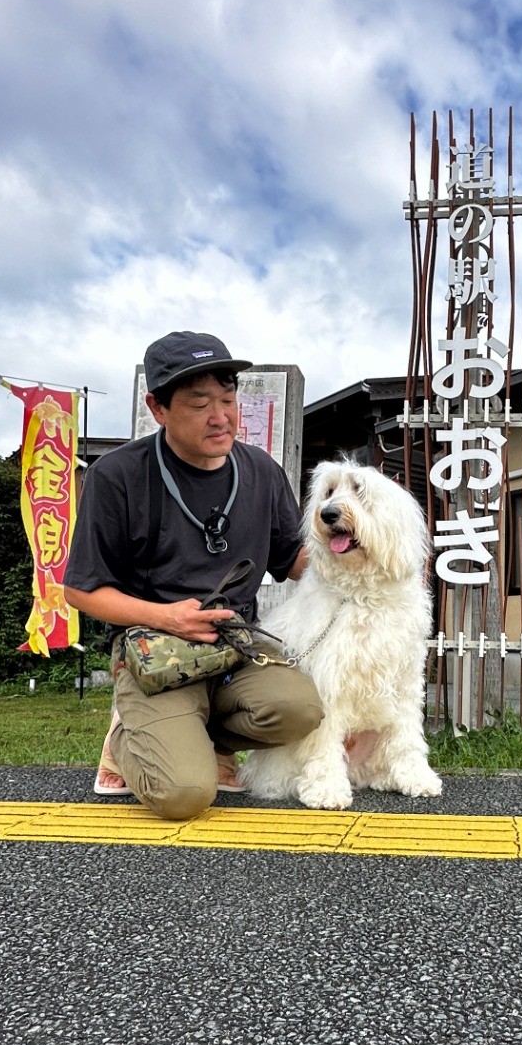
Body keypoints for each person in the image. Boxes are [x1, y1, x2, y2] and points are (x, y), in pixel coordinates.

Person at [63, 331, 323, 819]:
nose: (221, 416)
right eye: (199, 403)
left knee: (301, 711)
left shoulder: (263, 472)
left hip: (236, 649)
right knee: (183, 795)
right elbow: (81, 589)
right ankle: (127, 735)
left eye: (228, 399)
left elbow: (294, 562)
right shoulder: (117, 476)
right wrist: (165, 617)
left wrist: (361, 551)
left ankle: (195, 734)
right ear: (157, 408)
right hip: (156, 652)